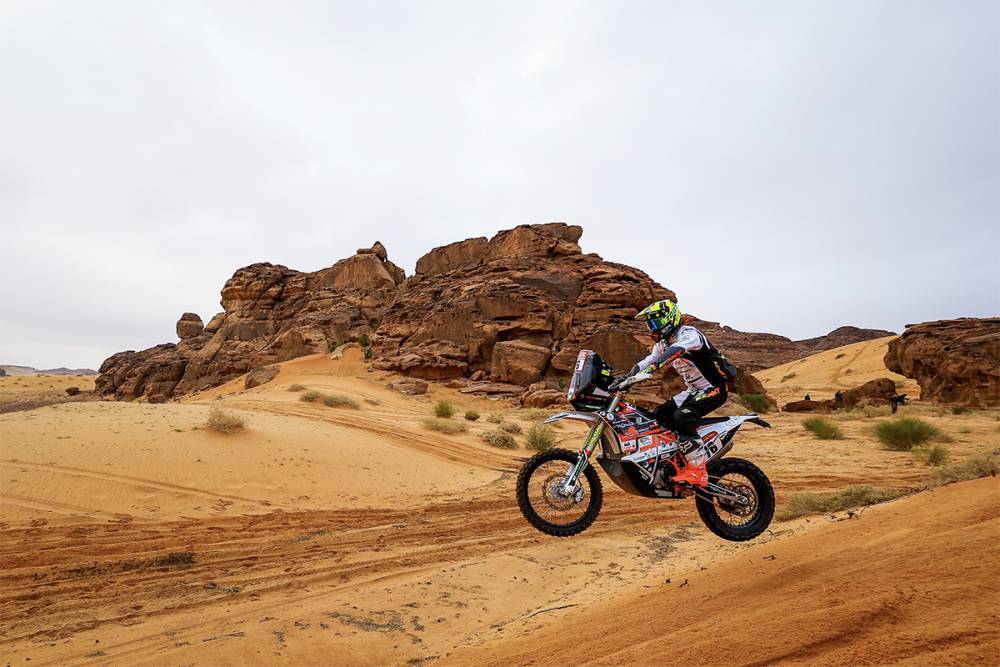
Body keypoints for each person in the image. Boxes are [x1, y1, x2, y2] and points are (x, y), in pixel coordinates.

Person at [613, 299, 735, 487]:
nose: (652, 327)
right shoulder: (662, 344)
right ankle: (676, 459)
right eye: (650, 323)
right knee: (659, 416)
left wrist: (655, 366)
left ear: (669, 318)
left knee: (682, 416)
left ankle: (698, 468)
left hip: (714, 389)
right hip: (693, 391)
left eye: (655, 322)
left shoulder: (689, 333)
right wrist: (626, 378)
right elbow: (647, 361)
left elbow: (677, 350)